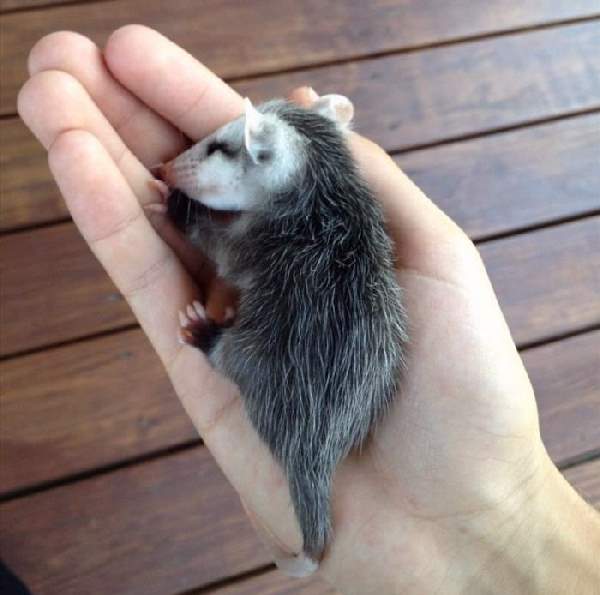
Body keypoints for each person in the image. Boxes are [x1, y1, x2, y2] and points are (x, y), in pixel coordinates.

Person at [18, 25, 600, 594]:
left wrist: (183, 211)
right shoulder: (341, 206)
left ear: (265, 160)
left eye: (219, 150)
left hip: (283, 382)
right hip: (356, 390)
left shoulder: (270, 229)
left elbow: (230, 253)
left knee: (246, 354)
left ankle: (215, 348)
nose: (191, 161)